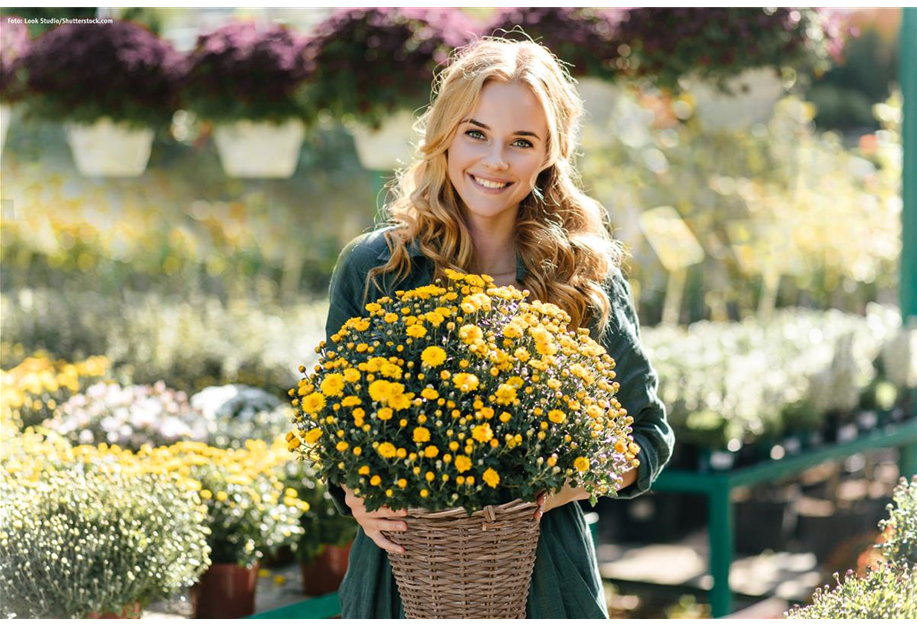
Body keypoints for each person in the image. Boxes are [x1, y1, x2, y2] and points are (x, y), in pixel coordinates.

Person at [322, 35, 674, 620]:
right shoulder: (375, 269)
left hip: (546, 584)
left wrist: (570, 480)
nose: (494, 161)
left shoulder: (582, 276)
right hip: (400, 582)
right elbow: (332, 432)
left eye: (522, 142)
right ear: (445, 136)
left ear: (549, 155)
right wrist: (356, 497)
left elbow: (648, 436)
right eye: (476, 133)